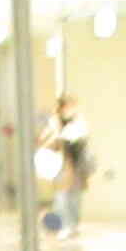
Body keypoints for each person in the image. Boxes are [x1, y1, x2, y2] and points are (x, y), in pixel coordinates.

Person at [40, 95, 92, 238]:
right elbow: (45, 140)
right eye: (70, 105)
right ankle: (65, 226)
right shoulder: (54, 122)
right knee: (62, 197)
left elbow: (83, 140)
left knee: (75, 197)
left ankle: (73, 225)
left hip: (76, 164)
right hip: (61, 164)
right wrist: (56, 135)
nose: (73, 109)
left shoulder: (78, 122)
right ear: (62, 107)